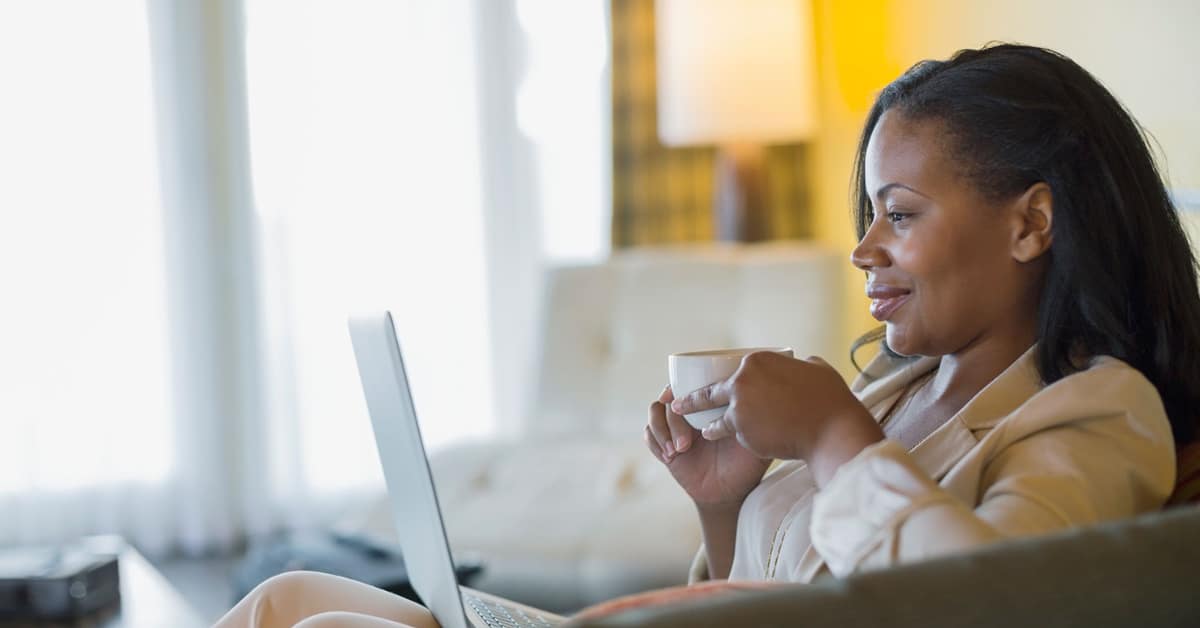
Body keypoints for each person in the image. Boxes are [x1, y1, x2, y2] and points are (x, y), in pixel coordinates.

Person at [213, 43, 1198, 627]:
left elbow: (997, 606)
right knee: (294, 592)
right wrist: (726, 511)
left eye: (898, 213)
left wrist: (827, 439)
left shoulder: (1098, 409)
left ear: (1030, 222)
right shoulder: (903, 391)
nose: (862, 249)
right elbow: (769, 598)